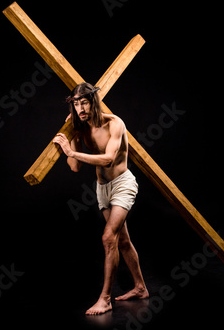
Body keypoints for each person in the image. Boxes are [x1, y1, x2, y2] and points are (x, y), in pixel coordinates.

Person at [53, 82, 149, 315]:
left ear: (94, 101)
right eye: (76, 104)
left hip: (123, 184)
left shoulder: (114, 123)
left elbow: (107, 159)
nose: (80, 108)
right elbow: (75, 166)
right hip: (102, 188)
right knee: (122, 241)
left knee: (108, 238)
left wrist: (71, 152)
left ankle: (105, 299)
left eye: (84, 102)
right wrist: (73, 137)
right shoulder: (81, 127)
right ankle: (140, 288)